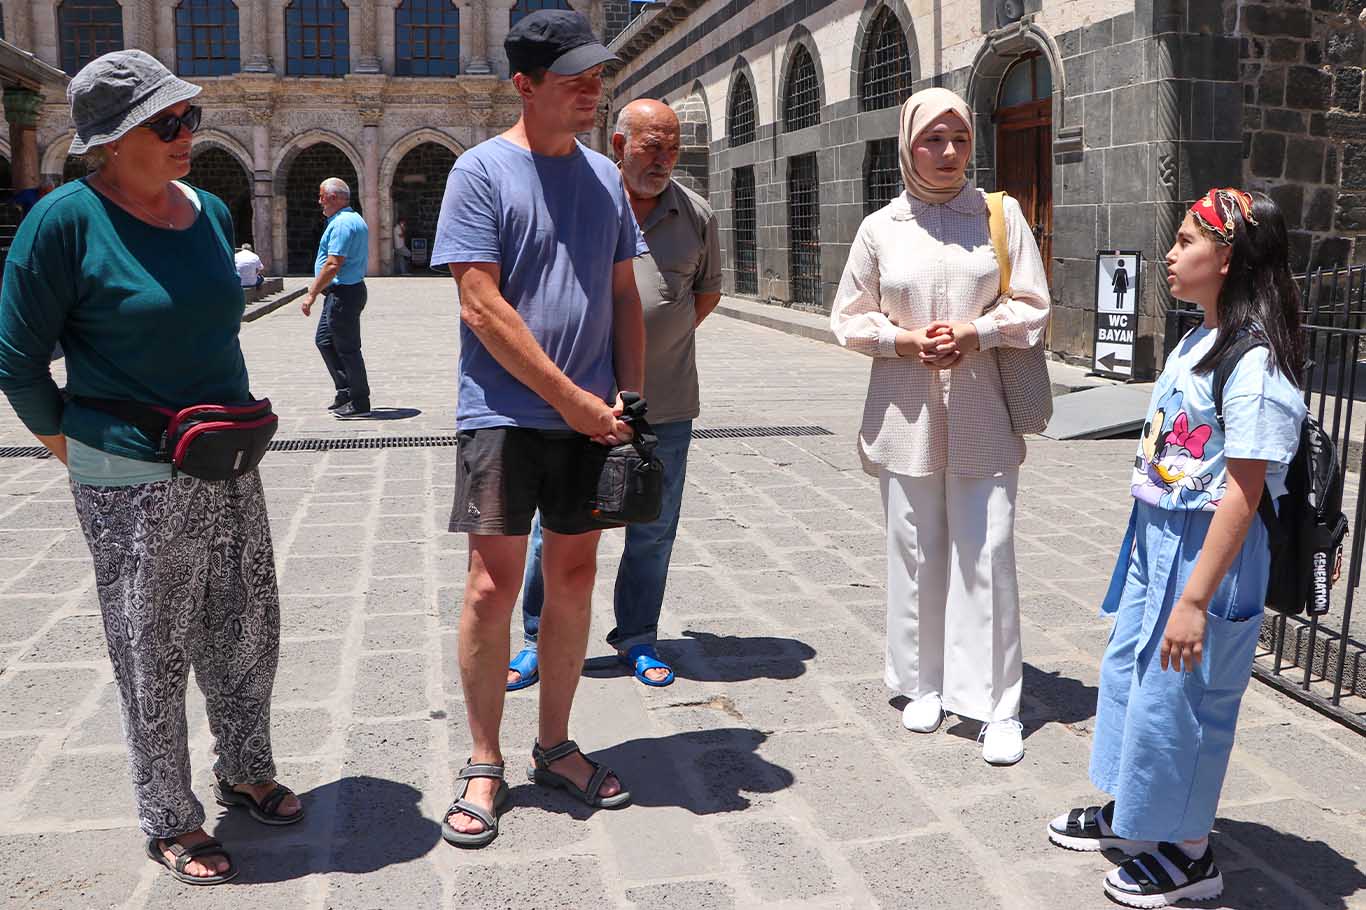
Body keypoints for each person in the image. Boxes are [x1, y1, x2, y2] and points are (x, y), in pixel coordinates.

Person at [0, 49, 301, 886]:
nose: (188, 135)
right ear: (112, 139)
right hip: (128, 473)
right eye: (168, 124)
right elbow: (18, 363)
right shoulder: (62, 221)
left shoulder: (205, 209)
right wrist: (79, 455)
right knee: (152, 647)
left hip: (226, 454)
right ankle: (169, 815)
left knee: (246, 626)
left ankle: (245, 767)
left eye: (189, 119)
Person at [1047, 190, 1306, 908]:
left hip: (1210, 555)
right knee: (1135, 676)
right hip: (1159, 536)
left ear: (1225, 258)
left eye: (1187, 240)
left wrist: (1195, 598)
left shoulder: (1252, 365)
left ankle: (1189, 851)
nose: (1169, 252)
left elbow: (1244, 492)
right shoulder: (1197, 339)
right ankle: (1138, 814)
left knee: (1188, 697)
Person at [429, 9, 646, 849]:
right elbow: (481, 305)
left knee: (576, 573)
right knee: (491, 584)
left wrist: (630, 394)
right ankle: (484, 759)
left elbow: (623, 291)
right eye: (574, 77)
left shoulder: (602, 175)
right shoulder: (479, 173)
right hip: (504, 414)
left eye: (597, 74)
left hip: (593, 416)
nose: (592, 88)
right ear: (524, 83)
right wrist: (573, 401)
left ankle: (555, 743)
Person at [830, 87, 1050, 766]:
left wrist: (977, 331)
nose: (948, 151)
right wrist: (901, 342)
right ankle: (922, 681)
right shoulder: (880, 228)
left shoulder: (1001, 216)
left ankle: (996, 703)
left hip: (983, 408)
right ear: (907, 144)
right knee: (915, 551)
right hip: (905, 411)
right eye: (933, 138)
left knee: (988, 552)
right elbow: (848, 316)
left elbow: (1034, 306)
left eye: (958, 137)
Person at [507, 99, 721, 692]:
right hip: (580, 401)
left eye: (673, 149)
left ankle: (637, 639)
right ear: (620, 145)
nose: (665, 160)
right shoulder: (587, 201)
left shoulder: (695, 213)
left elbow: (703, 296)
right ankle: (535, 638)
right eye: (653, 147)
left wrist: (655, 347)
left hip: (666, 405)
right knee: (557, 525)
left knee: (654, 526)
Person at [300, 177, 370, 418]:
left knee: (348, 348)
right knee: (325, 341)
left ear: (336, 198)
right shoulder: (349, 219)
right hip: (341, 293)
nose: (319, 201)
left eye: (323, 196)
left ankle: (360, 401)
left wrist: (311, 293)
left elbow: (332, 265)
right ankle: (345, 390)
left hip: (344, 293)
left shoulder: (342, 224)